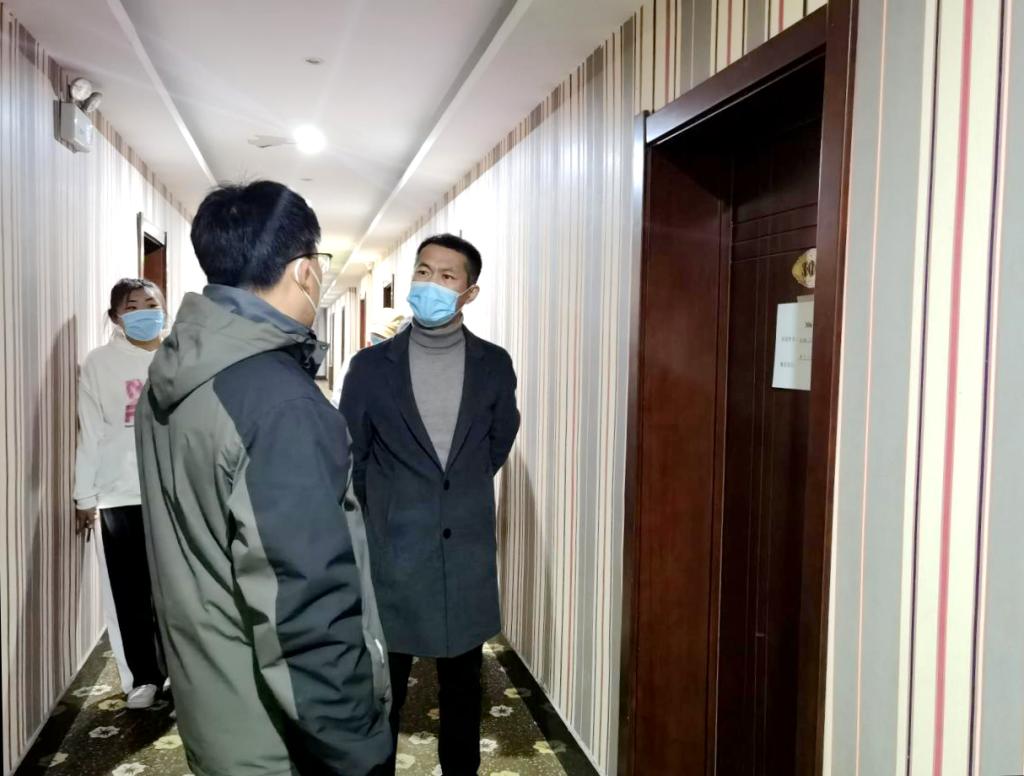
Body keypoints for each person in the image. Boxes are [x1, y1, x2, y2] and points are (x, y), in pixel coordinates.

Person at [135, 181, 392, 776]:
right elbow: (303, 605)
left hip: (215, 709)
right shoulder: (280, 405)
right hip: (282, 738)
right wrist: (359, 750)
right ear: (304, 270)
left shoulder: (173, 370)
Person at [341, 233, 520, 776]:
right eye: (423, 271)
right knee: (385, 685)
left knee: (463, 685)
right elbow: (354, 455)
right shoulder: (371, 367)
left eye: (447, 275)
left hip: (463, 548)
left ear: (469, 292)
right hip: (393, 548)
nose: (431, 284)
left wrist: (454, 494)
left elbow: (495, 443)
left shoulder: (494, 365)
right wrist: (387, 512)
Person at [74, 278, 168, 709]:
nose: (145, 312)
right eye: (133, 307)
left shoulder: (181, 353)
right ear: (115, 317)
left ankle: (184, 671)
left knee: (177, 591)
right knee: (129, 592)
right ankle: (143, 678)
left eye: (152, 304)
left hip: (174, 490)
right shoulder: (100, 363)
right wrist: (84, 495)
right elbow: (90, 431)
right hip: (120, 494)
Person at [331, 308, 408, 409]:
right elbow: (338, 399)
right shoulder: (355, 360)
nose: (377, 342)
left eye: (383, 337)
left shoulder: (403, 364)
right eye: (375, 336)